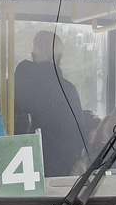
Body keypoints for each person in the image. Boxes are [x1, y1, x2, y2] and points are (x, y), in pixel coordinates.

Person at [14, 31, 91, 176]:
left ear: (33, 56)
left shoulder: (13, 87)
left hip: (17, 168)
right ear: (60, 58)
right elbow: (78, 137)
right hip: (60, 173)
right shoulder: (68, 91)